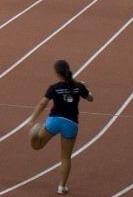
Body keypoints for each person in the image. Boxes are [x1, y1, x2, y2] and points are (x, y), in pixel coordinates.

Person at [28, 59, 93, 194]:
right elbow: (91, 98)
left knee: (37, 146)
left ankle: (35, 134)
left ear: (57, 74)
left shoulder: (54, 88)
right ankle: (61, 187)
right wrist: (86, 88)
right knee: (65, 157)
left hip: (54, 121)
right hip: (71, 124)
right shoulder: (79, 87)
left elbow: (42, 104)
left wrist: (33, 118)